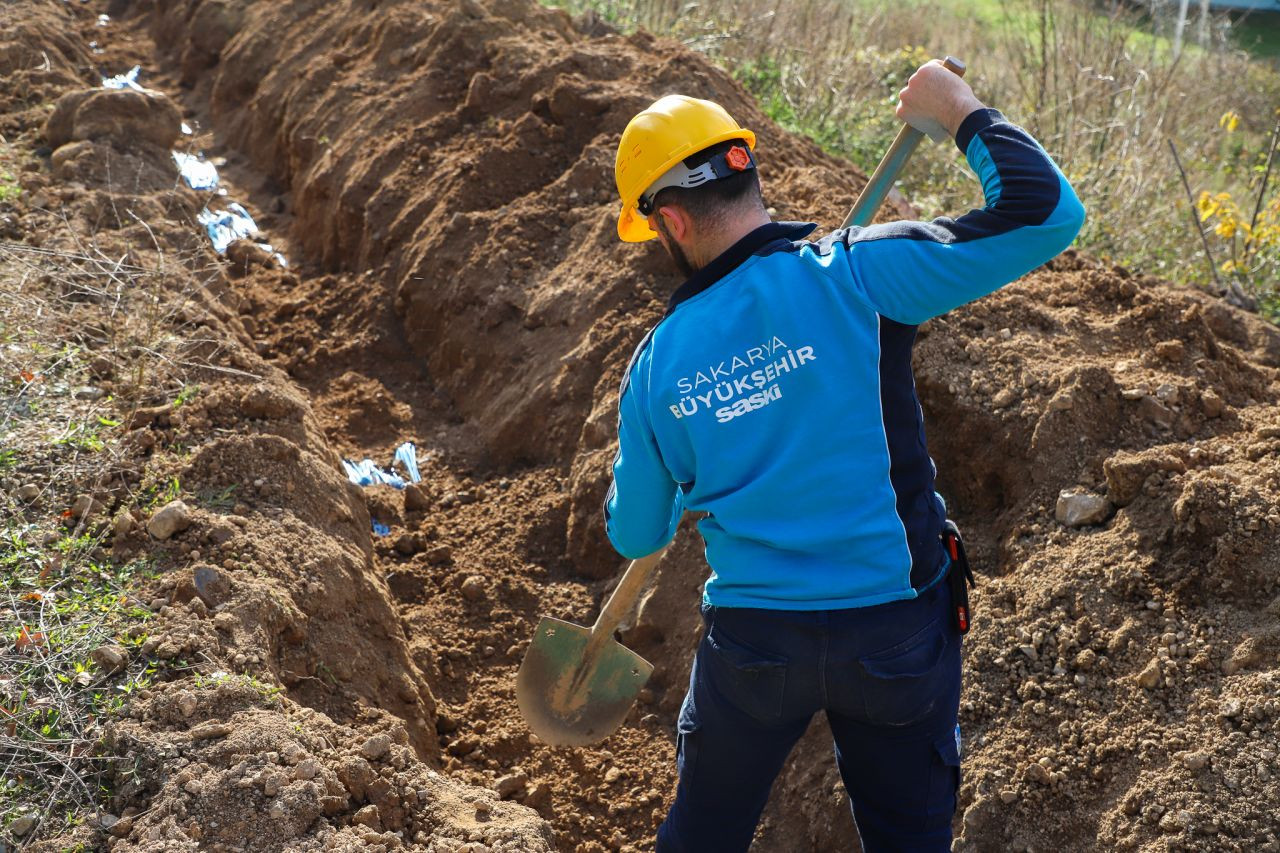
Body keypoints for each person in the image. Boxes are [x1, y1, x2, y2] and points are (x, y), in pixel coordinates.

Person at [604, 61, 1084, 852]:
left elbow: (638, 535)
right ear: (748, 174)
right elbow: (1047, 215)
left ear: (673, 223)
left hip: (755, 647)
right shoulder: (858, 271)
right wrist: (957, 109)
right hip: (895, 632)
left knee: (703, 834)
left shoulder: (655, 366)